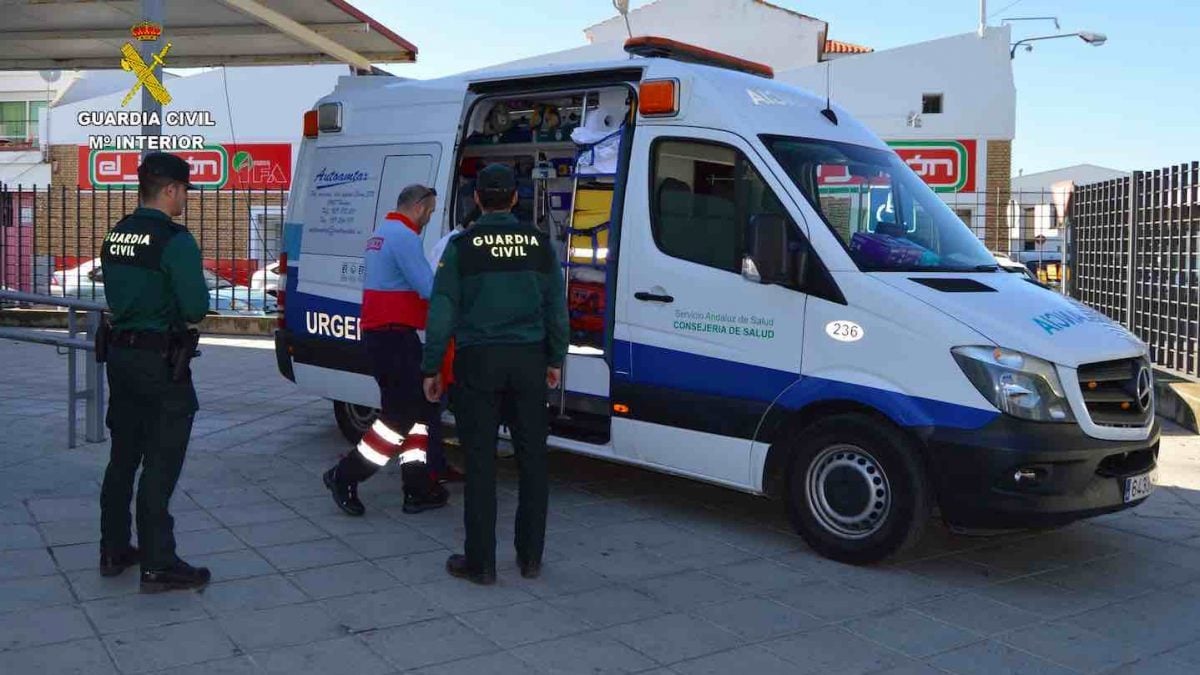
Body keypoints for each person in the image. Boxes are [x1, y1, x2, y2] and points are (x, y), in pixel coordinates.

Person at [422, 164, 569, 585]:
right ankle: (530, 559)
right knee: (533, 461)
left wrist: (432, 366)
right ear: (516, 199)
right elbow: (556, 310)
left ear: (479, 200)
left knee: (481, 462)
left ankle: (481, 564)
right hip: (528, 361)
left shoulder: (462, 246)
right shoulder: (540, 245)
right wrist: (555, 359)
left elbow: (443, 309)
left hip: (478, 363)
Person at [99, 152, 211, 592]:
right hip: (160, 363)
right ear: (169, 190)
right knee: (161, 460)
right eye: (184, 190)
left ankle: (113, 548)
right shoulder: (174, 239)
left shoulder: (116, 234)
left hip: (121, 359)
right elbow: (196, 308)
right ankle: (158, 563)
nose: (185, 198)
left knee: (123, 456)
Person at [323, 185, 449, 516]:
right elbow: (429, 288)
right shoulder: (404, 237)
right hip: (395, 339)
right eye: (431, 211)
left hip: (385, 336)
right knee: (399, 417)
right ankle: (345, 474)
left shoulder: (382, 232)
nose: (429, 218)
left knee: (421, 414)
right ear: (419, 207)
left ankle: (417, 487)